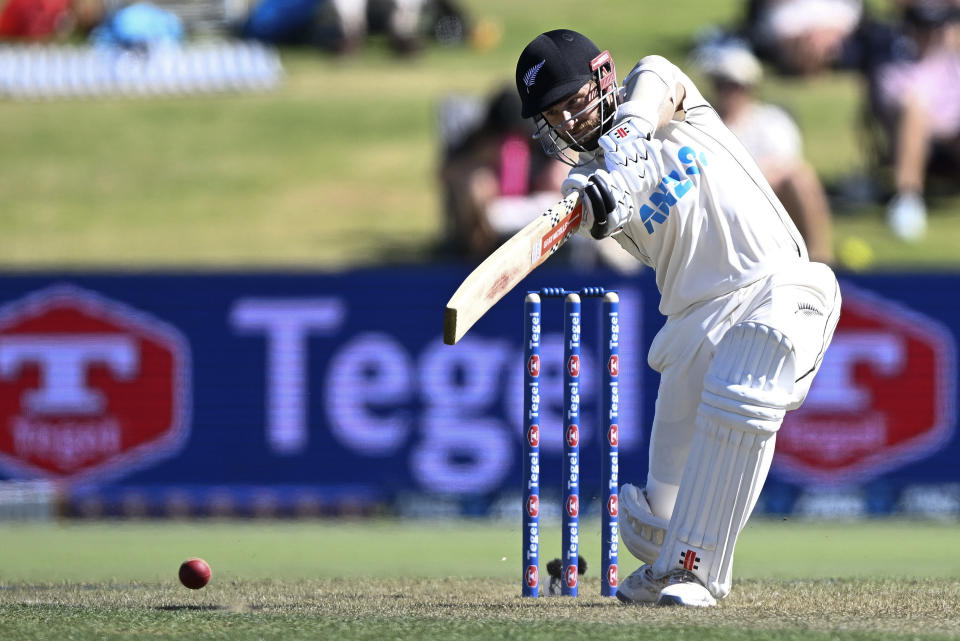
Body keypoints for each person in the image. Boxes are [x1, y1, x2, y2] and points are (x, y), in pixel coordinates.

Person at [514, 29, 841, 606]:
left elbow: (658, 84)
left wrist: (631, 135)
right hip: (693, 324)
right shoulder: (579, 183)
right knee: (651, 525)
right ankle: (672, 561)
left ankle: (700, 572)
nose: (569, 118)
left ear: (603, 76)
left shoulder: (663, 90)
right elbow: (599, 206)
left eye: (573, 99)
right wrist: (605, 191)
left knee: (749, 371)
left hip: (779, 285)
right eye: (554, 114)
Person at [695, 41, 835, 263]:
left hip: (766, 196)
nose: (729, 91)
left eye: (735, 85)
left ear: (750, 87)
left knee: (801, 179)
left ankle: (820, 259)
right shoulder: (701, 125)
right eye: (722, 83)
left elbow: (788, 167)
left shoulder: (772, 121)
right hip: (715, 202)